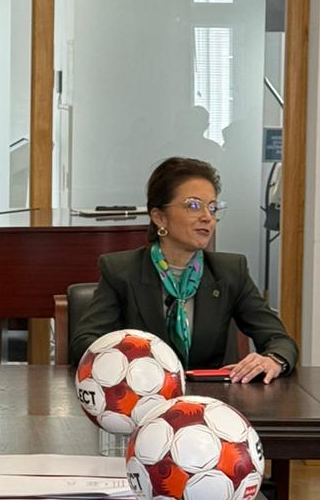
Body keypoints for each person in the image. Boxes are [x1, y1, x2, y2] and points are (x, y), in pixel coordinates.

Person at [70, 156, 297, 381]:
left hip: (208, 397)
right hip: (140, 393)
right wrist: (130, 362)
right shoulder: (121, 271)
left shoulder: (229, 272)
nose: (207, 217)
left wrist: (273, 359)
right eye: (194, 206)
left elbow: (279, 340)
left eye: (213, 208)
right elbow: (84, 344)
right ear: (160, 217)